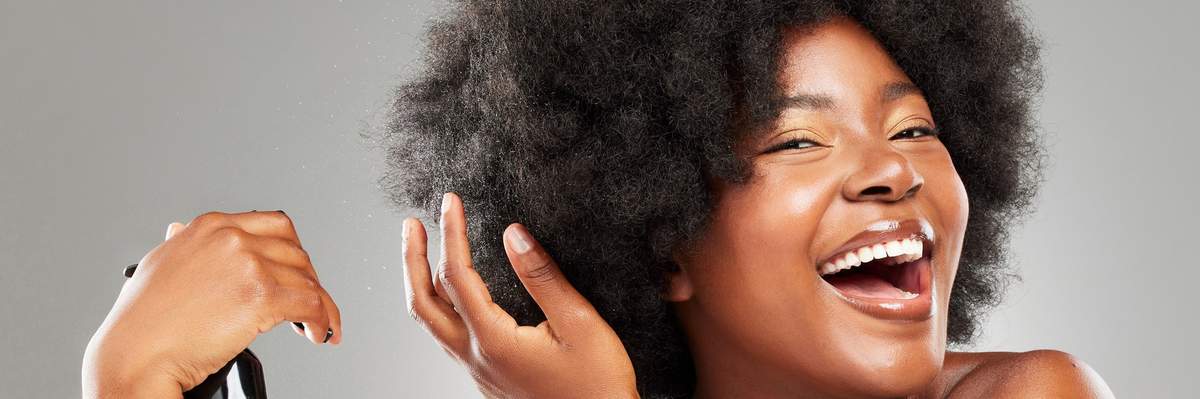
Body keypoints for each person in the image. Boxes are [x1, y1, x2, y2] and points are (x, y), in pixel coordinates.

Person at [83, 1, 1114, 398]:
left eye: (915, 128)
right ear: (662, 240)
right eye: (799, 138)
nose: (895, 173)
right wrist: (129, 384)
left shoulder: (1032, 394)